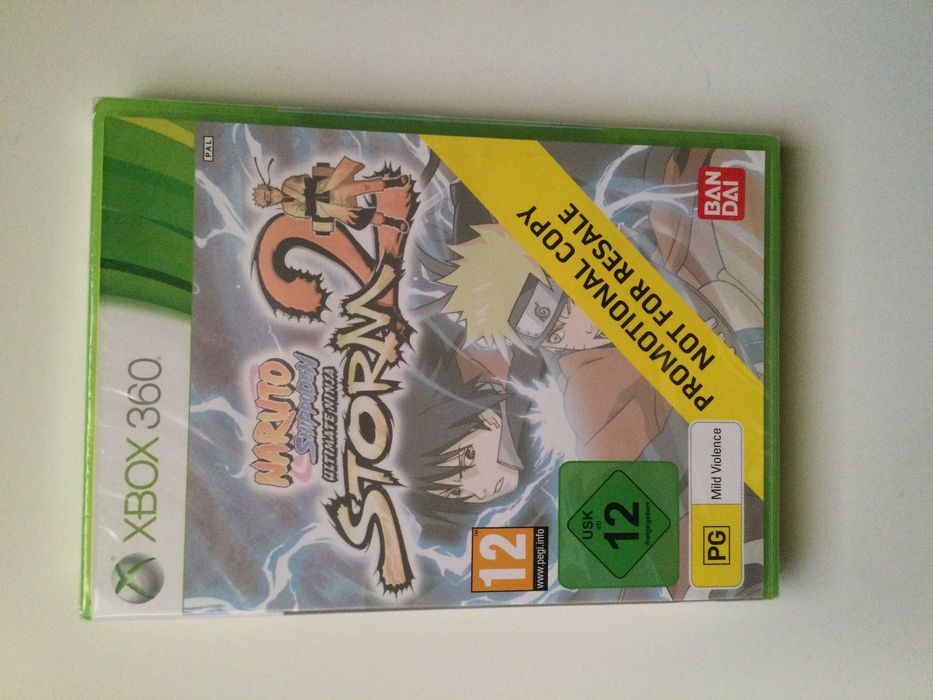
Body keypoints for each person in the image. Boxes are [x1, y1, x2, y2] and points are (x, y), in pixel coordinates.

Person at [252, 156, 411, 234]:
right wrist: (308, 198)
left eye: (269, 193)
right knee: (356, 216)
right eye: (269, 200)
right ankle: (393, 222)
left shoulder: (288, 183)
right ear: (271, 204)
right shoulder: (288, 209)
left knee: (361, 186)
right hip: (327, 209)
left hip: (329, 188)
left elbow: (308, 182)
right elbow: (307, 212)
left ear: (271, 187)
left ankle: (393, 183)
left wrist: (308, 197)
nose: (273, 197)